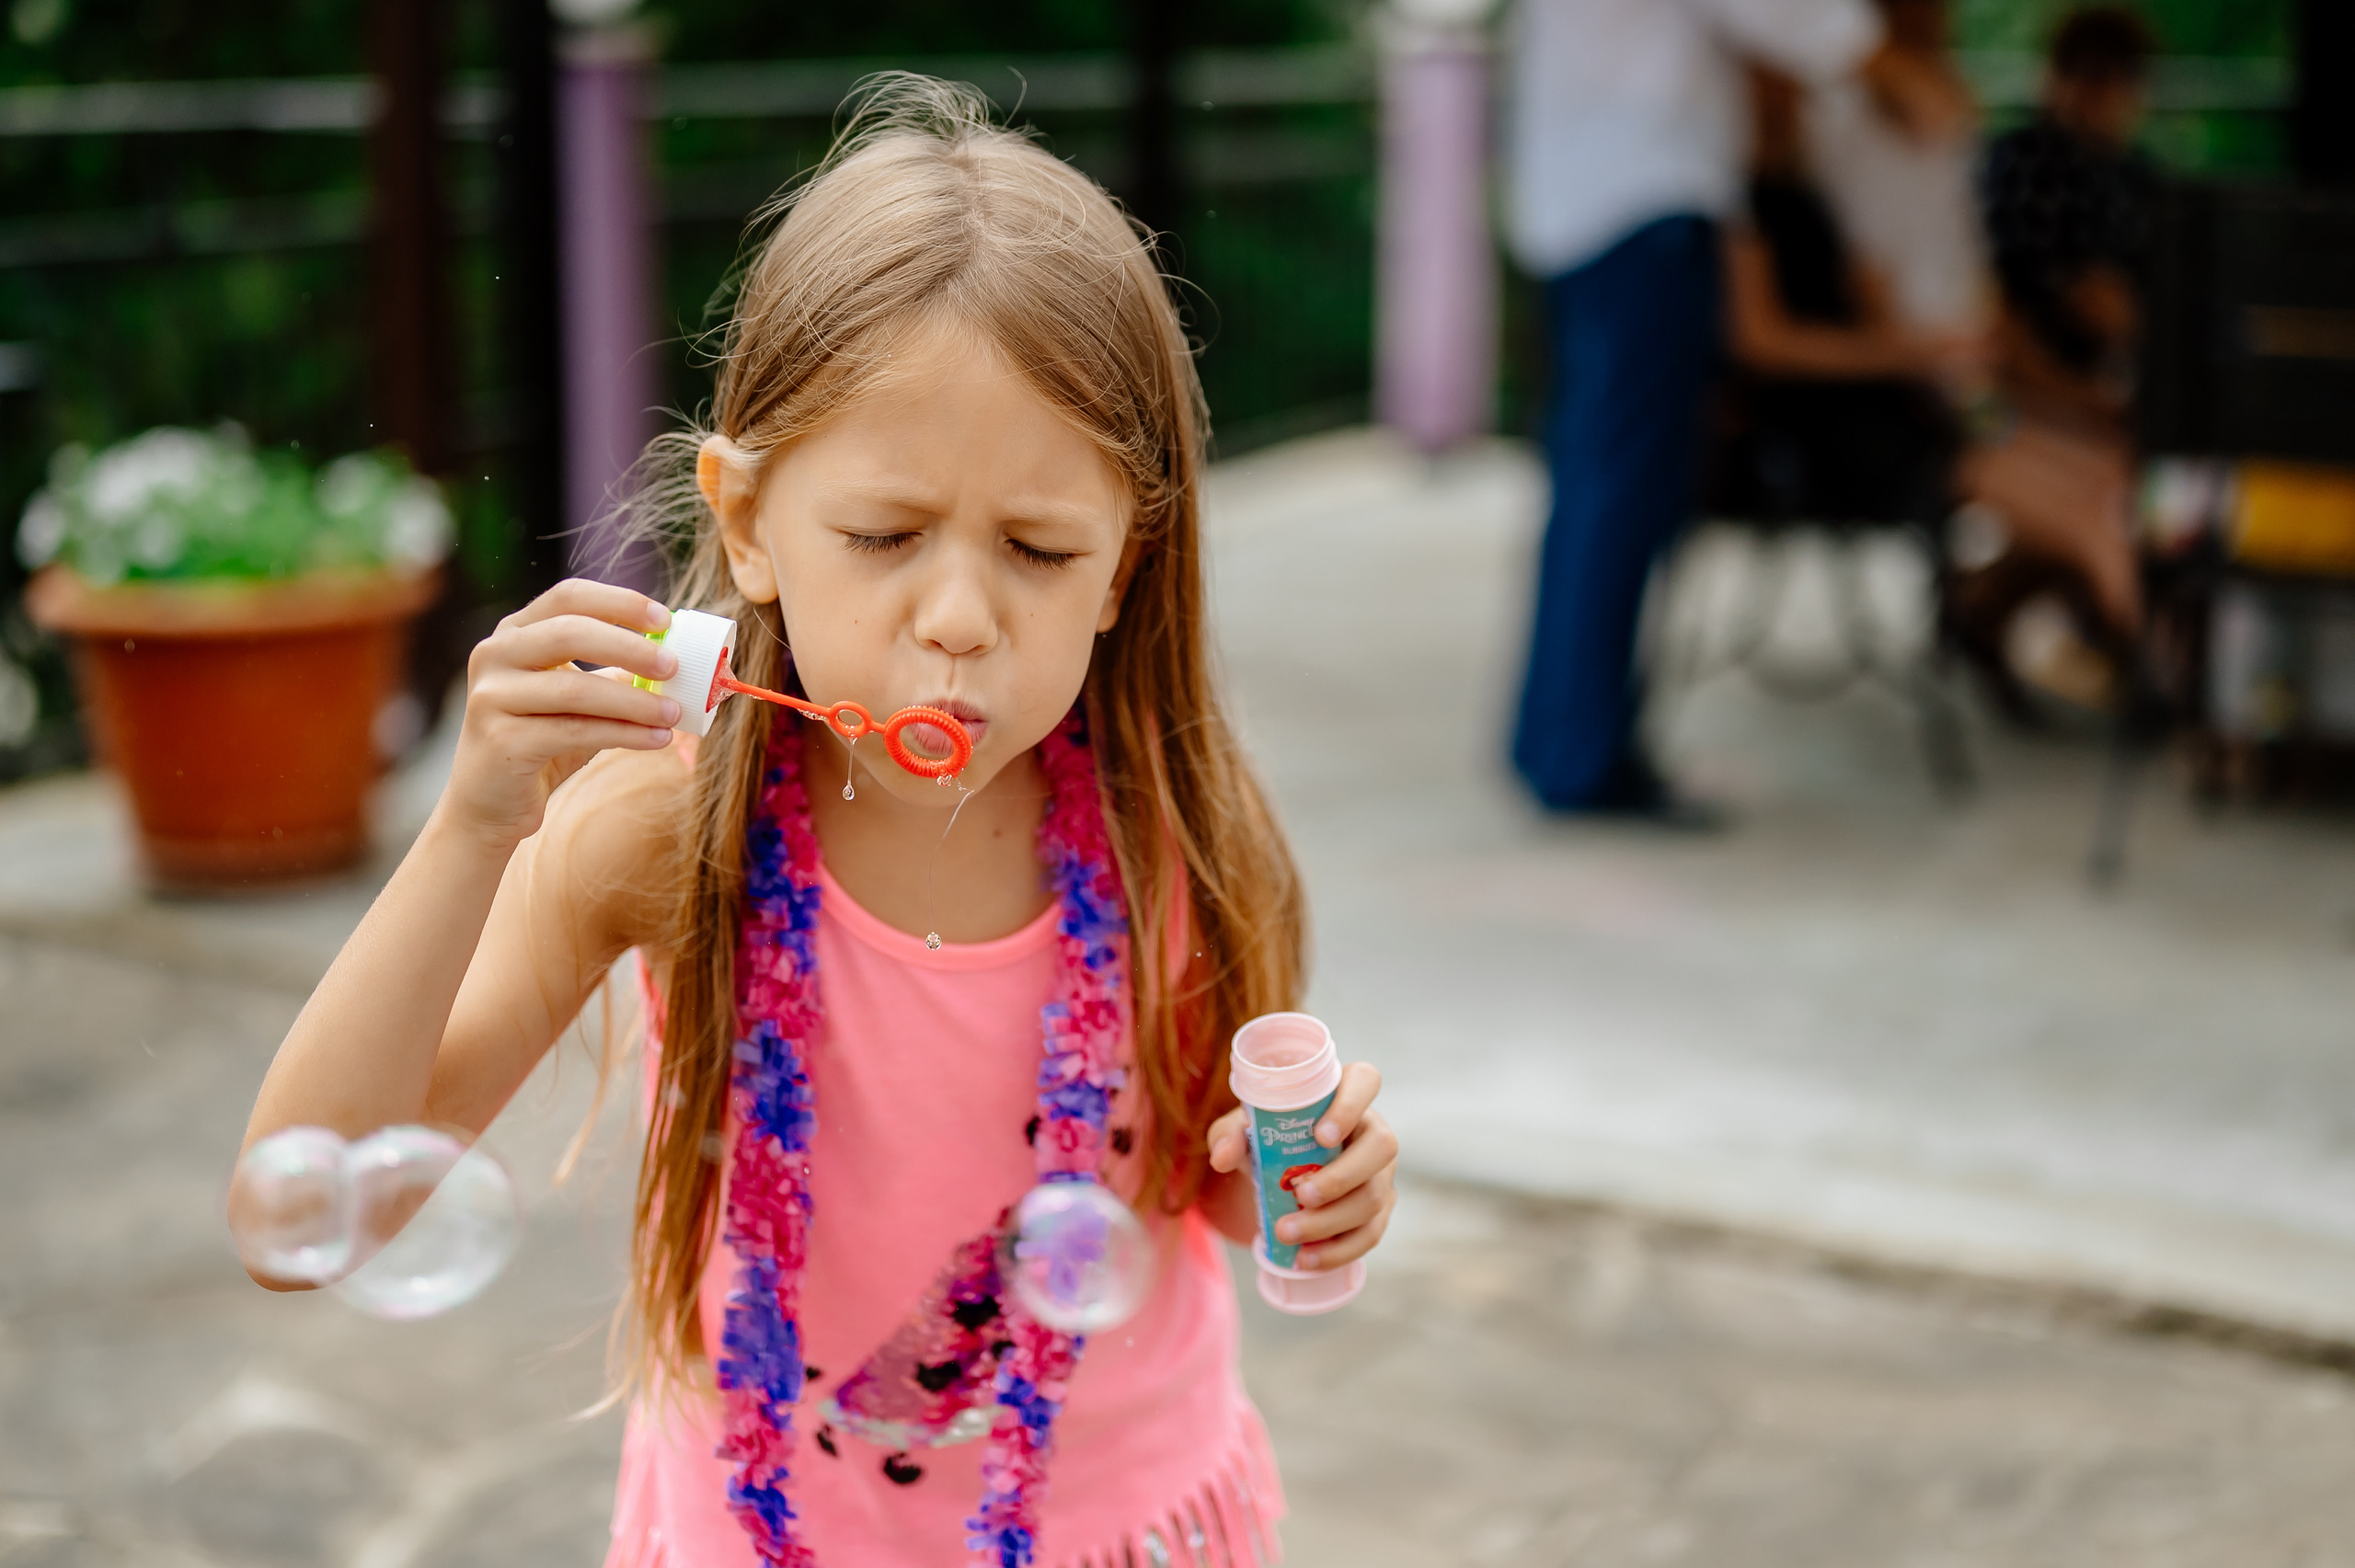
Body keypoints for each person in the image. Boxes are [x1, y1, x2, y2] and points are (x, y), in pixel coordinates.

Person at [236, 78, 1398, 1568]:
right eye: (886, 535)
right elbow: (304, 1203)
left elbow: (1203, 1175)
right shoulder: (658, 830)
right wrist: (476, 824)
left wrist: (1314, 1184)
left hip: (1118, 1524)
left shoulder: (1171, 823)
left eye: (1041, 550)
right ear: (744, 521)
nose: (962, 618)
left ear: (1124, 570)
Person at [1504, 0, 1970, 817]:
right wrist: (1896, 70)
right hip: (1640, 205)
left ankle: (1558, 740)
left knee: (1591, 488)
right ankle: (1584, 758)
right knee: (1622, 496)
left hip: (1588, 210)